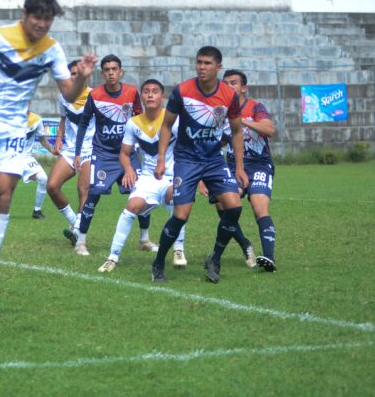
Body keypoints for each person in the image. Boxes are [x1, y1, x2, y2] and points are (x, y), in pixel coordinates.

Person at [0, 0, 96, 306]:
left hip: (16, 126)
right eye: (37, 18)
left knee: (3, 196)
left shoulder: (52, 50)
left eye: (48, 19)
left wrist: (83, 77)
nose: (42, 25)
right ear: (24, 14)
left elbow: (69, 96)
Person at [151, 46, 249, 284]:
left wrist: (239, 166)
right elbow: (166, 126)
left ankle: (214, 258)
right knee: (181, 215)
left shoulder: (228, 95)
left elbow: (236, 131)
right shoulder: (182, 91)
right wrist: (162, 159)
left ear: (218, 67)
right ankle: (159, 262)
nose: (201, 67)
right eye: (199, 63)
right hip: (187, 160)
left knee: (234, 207)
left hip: (214, 160)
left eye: (207, 63)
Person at [99, 79, 186, 272]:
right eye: (146, 91)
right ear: (142, 97)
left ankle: (178, 249)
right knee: (132, 206)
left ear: (162, 97)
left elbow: (188, 147)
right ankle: (113, 257)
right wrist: (129, 169)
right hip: (147, 178)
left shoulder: (174, 119)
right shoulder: (133, 123)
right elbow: (124, 152)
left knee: (176, 197)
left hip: (172, 176)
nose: (150, 95)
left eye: (155, 91)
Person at [70, 55, 142, 256]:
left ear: (121, 72)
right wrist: (77, 153)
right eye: (107, 69)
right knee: (93, 195)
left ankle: (144, 239)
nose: (111, 72)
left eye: (114, 69)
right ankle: (81, 241)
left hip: (128, 154)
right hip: (103, 155)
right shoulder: (96, 95)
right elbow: (84, 123)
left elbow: (139, 121)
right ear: (102, 73)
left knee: (141, 192)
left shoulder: (132, 92)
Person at [221, 70, 278, 271]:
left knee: (259, 206)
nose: (228, 86)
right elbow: (217, 140)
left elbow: (269, 130)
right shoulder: (219, 110)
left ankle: (268, 257)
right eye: (225, 83)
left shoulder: (255, 107)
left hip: (259, 165)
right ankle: (245, 244)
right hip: (233, 166)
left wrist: (240, 120)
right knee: (224, 205)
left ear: (243, 88)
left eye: (233, 83)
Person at [45, 60, 93, 242]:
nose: (75, 76)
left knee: (83, 188)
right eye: (72, 73)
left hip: (91, 148)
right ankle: (75, 222)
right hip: (72, 148)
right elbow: (63, 119)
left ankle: (79, 229)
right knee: (52, 186)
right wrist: (58, 140)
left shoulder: (95, 96)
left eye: (78, 73)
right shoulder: (63, 97)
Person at [23, 109, 55, 219]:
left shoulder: (36, 119)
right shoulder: (9, 116)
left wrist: (52, 150)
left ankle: (37, 210)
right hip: (8, 157)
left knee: (43, 178)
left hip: (26, 158)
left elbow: (42, 140)